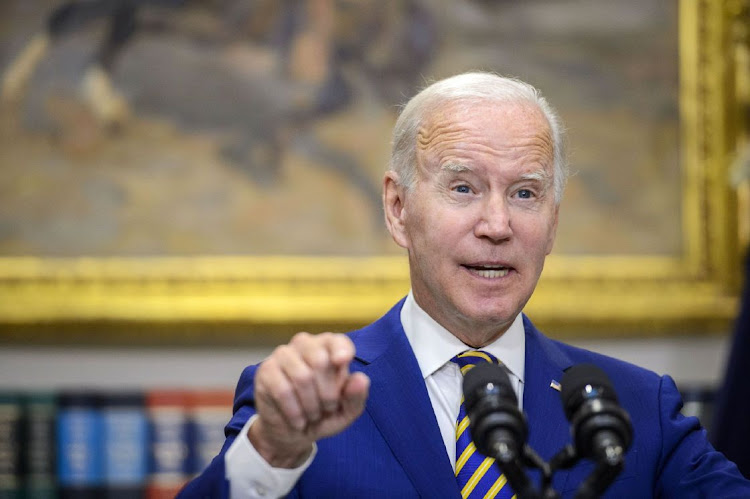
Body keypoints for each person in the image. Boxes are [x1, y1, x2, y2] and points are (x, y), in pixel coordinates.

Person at [178, 72, 750, 498]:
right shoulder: (307, 402)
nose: (497, 226)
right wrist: (273, 450)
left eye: (525, 193)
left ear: (553, 221)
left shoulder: (636, 408)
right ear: (398, 208)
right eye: (463, 188)